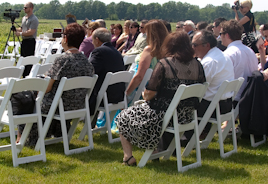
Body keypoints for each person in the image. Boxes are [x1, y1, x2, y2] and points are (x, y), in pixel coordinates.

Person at [116, 31, 206, 166]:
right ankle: (153, 152)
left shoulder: (165, 64)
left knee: (124, 115)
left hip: (164, 115)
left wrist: (144, 95)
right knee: (142, 111)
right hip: (187, 115)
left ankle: (128, 157)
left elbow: (149, 94)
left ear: (170, 46)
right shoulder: (197, 65)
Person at [22, 23, 94, 145]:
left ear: (65, 38)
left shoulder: (63, 60)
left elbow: (47, 88)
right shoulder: (87, 63)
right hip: (77, 105)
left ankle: (23, 136)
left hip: (57, 105)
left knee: (26, 97)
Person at [192, 30, 235, 118]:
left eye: (195, 45)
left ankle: (191, 131)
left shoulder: (209, 62)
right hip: (226, 104)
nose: (192, 48)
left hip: (213, 107)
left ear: (207, 45)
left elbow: (198, 88)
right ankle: (203, 130)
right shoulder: (222, 55)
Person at [88, 28, 126, 116]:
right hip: (118, 96)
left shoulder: (99, 52)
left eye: (92, 40)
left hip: (104, 97)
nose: (92, 43)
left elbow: (90, 71)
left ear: (97, 40)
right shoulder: (117, 52)